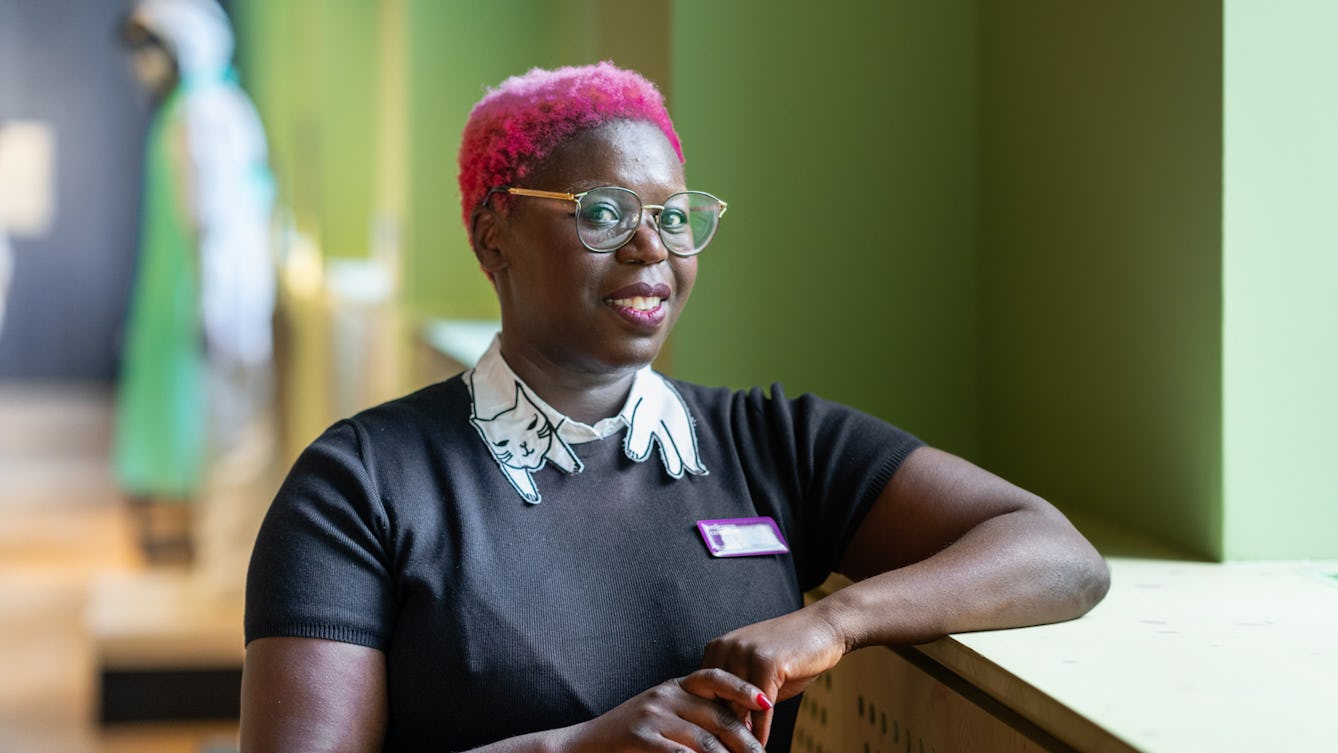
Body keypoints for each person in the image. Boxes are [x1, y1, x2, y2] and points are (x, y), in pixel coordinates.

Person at [241, 62, 1109, 753]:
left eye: (674, 215)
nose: (651, 246)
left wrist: (835, 619)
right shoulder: (362, 484)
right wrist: (576, 750)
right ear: (492, 233)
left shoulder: (770, 443)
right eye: (604, 213)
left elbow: (1056, 553)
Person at [114, 0, 276, 564]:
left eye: (152, 50)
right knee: (208, 439)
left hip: (222, 306)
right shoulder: (185, 113)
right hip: (193, 305)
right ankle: (210, 563)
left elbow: (218, 224)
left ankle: (227, 576)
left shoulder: (208, 115)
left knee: (230, 445)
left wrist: (216, 309)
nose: (143, 66)